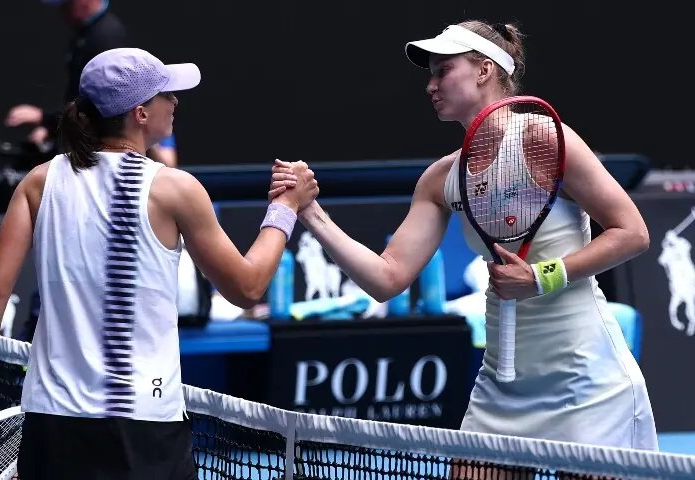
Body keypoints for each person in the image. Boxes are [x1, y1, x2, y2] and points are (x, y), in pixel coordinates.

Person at [270, 19, 657, 476]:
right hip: (503, 386)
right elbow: (386, 278)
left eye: (442, 70)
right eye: (429, 75)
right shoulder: (441, 179)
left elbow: (632, 232)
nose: (430, 85)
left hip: (585, 379)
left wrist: (540, 277)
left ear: (484, 70)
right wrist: (310, 212)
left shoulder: (546, 140)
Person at [0, 47, 318, 479]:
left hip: (53, 423)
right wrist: (285, 209)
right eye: (166, 94)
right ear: (140, 113)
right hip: (143, 427)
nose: (175, 101)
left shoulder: (39, 180)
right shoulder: (174, 189)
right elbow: (248, 287)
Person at [5, 0, 176, 167]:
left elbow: (168, 163)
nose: (62, 13)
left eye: (67, 5)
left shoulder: (107, 37)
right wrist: (52, 128)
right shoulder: (86, 34)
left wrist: (45, 119)